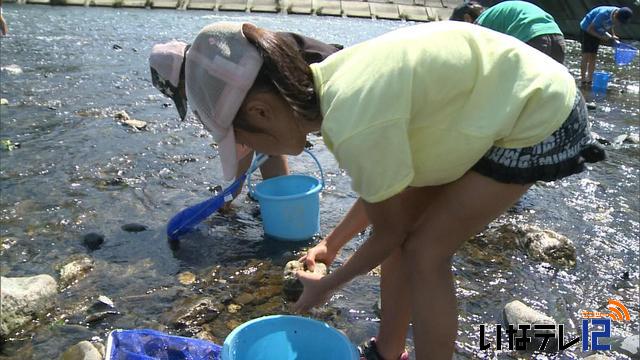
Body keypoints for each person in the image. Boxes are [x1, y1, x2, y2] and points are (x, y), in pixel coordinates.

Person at [154, 21, 605, 359]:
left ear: (262, 111)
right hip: (481, 106)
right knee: (405, 235)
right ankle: (388, 351)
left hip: (536, 113)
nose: (250, 148)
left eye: (246, 137)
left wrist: (328, 286)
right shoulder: (332, 84)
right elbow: (383, 195)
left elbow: (388, 230)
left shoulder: (354, 121)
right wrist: (332, 243)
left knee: (425, 251)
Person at [149, 32, 341, 205]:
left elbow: (244, 133)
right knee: (265, 136)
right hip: (320, 84)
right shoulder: (217, 56)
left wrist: (233, 191)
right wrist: (236, 190)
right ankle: (281, 197)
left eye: (182, 93)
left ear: (183, 79)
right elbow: (254, 133)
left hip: (329, 83)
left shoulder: (216, 74)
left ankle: (281, 197)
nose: (187, 97)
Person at [450, 1, 566, 64]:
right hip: (557, 36)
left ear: (467, 19)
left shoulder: (480, 24)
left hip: (532, 38)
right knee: (551, 88)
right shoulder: (495, 14)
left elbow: (480, 60)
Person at [579, 6, 633, 85]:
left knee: (593, 56)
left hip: (598, 30)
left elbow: (611, 24)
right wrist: (601, 37)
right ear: (615, 15)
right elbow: (590, 29)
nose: (618, 23)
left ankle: (589, 80)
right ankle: (583, 80)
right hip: (587, 29)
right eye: (618, 21)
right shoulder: (603, 14)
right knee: (586, 55)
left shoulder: (619, 14)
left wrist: (612, 35)